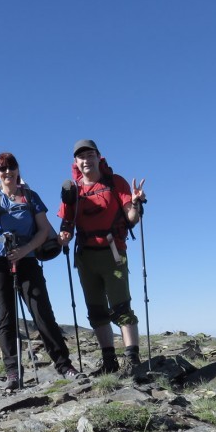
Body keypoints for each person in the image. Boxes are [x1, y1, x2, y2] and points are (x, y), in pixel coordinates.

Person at [0, 152, 87, 391]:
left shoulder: (30, 196)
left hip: (27, 259)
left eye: (10, 168)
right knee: (6, 317)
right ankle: (13, 372)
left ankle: (64, 365)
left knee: (42, 313)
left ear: (17, 170)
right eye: (2, 169)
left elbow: (44, 230)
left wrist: (25, 250)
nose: (7, 172)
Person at [57, 139, 147, 375]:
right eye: (81, 157)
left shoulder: (115, 182)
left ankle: (132, 360)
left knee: (121, 307)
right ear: (76, 162)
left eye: (90, 155)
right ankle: (109, 361)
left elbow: (131, 219)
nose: (86, 160)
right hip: (86, 257)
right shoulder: (73, 190)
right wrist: (64, 235)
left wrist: (136, 204)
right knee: (96, 311)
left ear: (98, 157)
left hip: (113, 253)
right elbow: (67, 223)